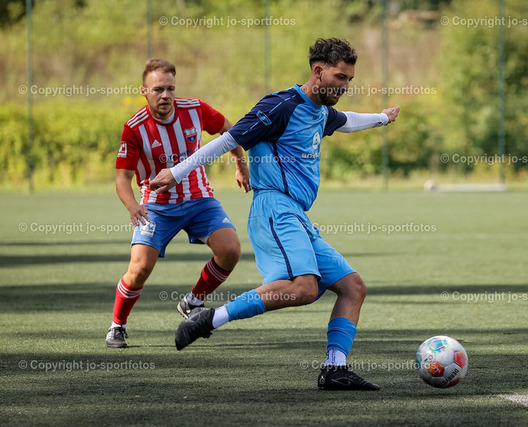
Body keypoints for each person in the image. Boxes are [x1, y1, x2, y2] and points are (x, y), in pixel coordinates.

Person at [151, 38, 400, 390]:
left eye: (349, 80)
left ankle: (335, 369)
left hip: (296, 215)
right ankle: (209, 319)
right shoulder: (280, 106)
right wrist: (176, 173)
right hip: (275, 210)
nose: (345, 86)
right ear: (318, 71)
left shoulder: (321, 110)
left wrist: (382, 118)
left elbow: (345, 121)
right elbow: (228, 139)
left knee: (352, 287)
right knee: (303, 288)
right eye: (341, 78)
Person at [106, 58, 251, 348]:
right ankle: (117, 325)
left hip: (199, 199)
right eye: (158, 89)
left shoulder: (196, 110)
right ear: (144, 91)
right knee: (139, 269)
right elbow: (122, 177)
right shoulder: (134, 128)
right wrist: (133, 206)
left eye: (170, 88)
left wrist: (240, 162)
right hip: (156, 206)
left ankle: (193, 301)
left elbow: (230, 131)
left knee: (231, 250)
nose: (165, 95)